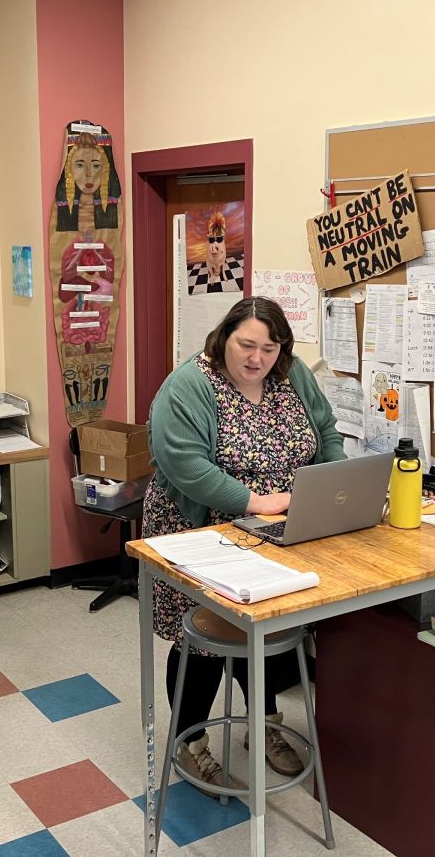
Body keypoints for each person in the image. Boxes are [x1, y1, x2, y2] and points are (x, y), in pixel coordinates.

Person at [144, 296, 345, 789]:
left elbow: (325, 431)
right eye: (246, 345)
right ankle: (191, 743)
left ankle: (265, 724)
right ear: (224, 337)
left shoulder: (293, 376)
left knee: (270, 629)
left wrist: (337, 484)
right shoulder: (189, 385)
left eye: (270, 349)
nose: (257, 359)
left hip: (275, 532)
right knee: (204, 643)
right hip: (200, 531)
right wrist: (258, 501)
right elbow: (185, 465)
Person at [187, 209, 243, 294]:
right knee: (210, 262)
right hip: (211, 253)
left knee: (221, 261)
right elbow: (208, 259)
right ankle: (212, 275)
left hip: (220, 252)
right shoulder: (210, 235)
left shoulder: (221, 233)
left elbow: (222, 235)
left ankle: (223, 273)